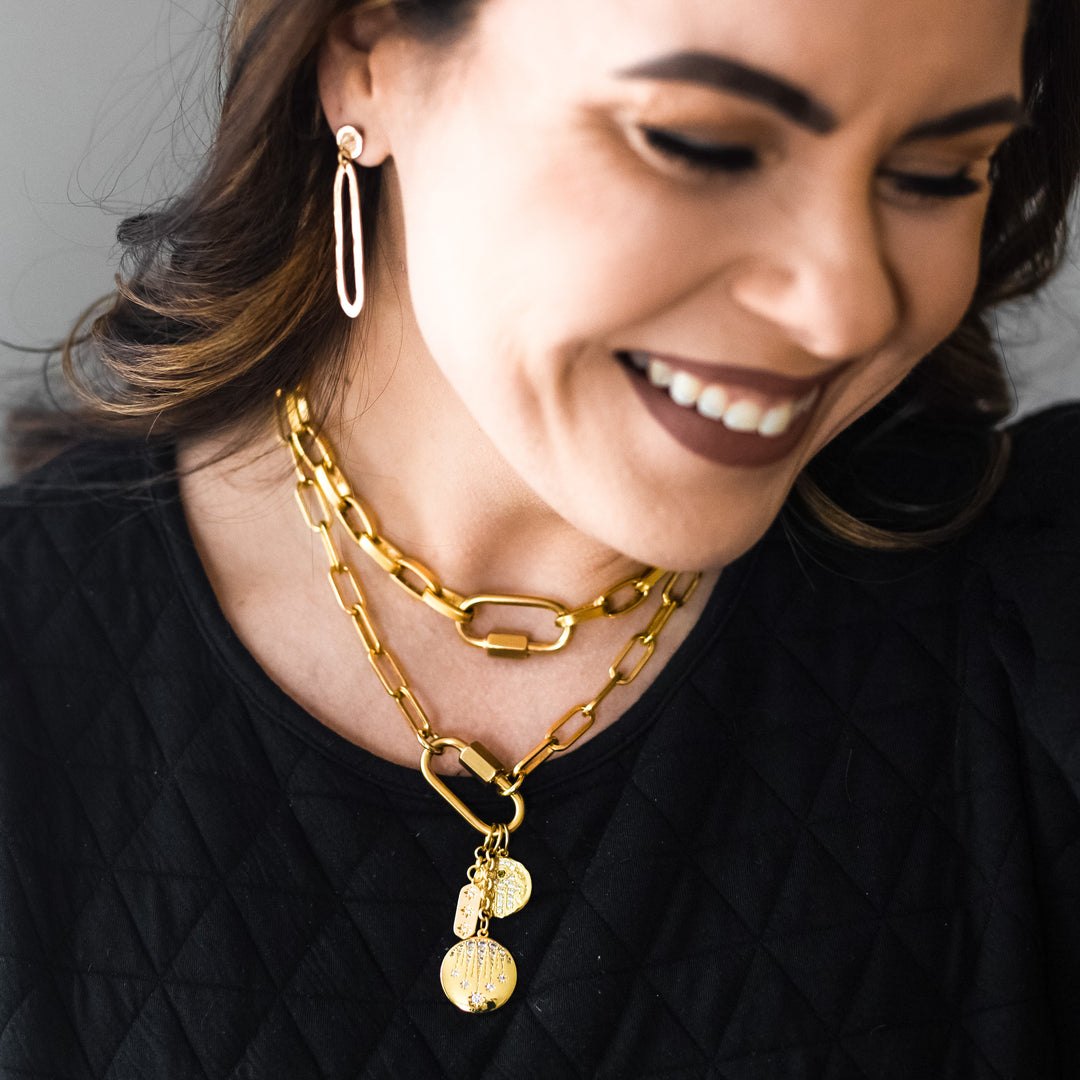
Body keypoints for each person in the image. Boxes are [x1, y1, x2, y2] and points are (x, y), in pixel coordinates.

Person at [1, 0, 1079, 1074]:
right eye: (700, 143)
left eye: (941, 173)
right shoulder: (34, 661)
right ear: (366, 58)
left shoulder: (1027, 615)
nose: (842, 309)